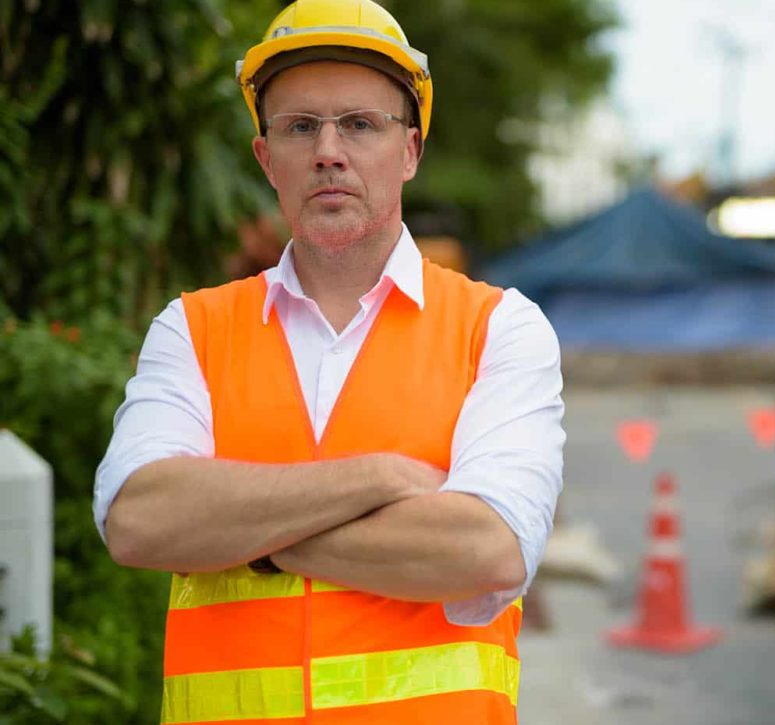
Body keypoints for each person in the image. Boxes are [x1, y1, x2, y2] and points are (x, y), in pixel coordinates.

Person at [93, 1, 564, 722]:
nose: (328, 151)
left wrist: (252, 538)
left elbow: (486, 548)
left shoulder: (499, 328)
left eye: (361, 124)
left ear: (410, 151)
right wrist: (380, 478)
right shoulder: (192, 327)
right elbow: (137, 520)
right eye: (300, 126)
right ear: (266, 157)